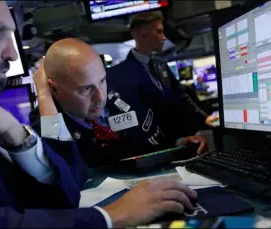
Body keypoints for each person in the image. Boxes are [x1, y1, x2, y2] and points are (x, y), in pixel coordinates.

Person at [0, 1, 199, 228]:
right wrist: (110, 217)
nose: (11, 52)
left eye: (11, 34)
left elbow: (54, 193)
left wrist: (13, 131)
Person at [30, 38, 207, 168]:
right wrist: (44, 95)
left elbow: (150, 133)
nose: (100, 97)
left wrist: (178, 142)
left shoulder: (126, 85)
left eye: (101, 81)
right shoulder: (48, 121)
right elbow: (63, 163)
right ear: (54, 89)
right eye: (85, 89)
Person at [107, 11, 219, 136]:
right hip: (150, 143)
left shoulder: (161, 65)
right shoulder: (121, 74)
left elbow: (181, 96)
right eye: (159, 31)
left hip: (176, 139)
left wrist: (204, 117)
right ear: (140, 34)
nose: (164, 37)